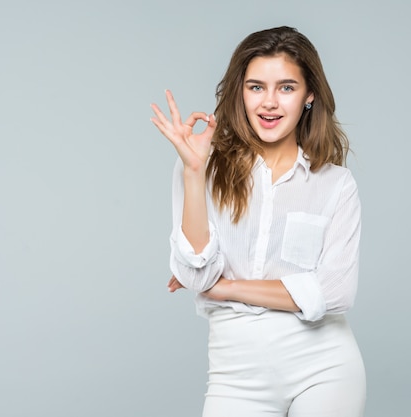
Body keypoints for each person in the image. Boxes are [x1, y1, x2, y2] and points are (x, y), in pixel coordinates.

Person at [150, 26, 366, 417]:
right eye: (255, 87)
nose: (269, 103)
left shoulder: (336, 185)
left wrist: (228, 287)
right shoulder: (201, 167)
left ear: (309, 95)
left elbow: (334, 293)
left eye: (286, 87)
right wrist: (194, 172)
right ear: (240, 93)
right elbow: (198, 277)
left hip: (326, 366)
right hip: (237, 374)